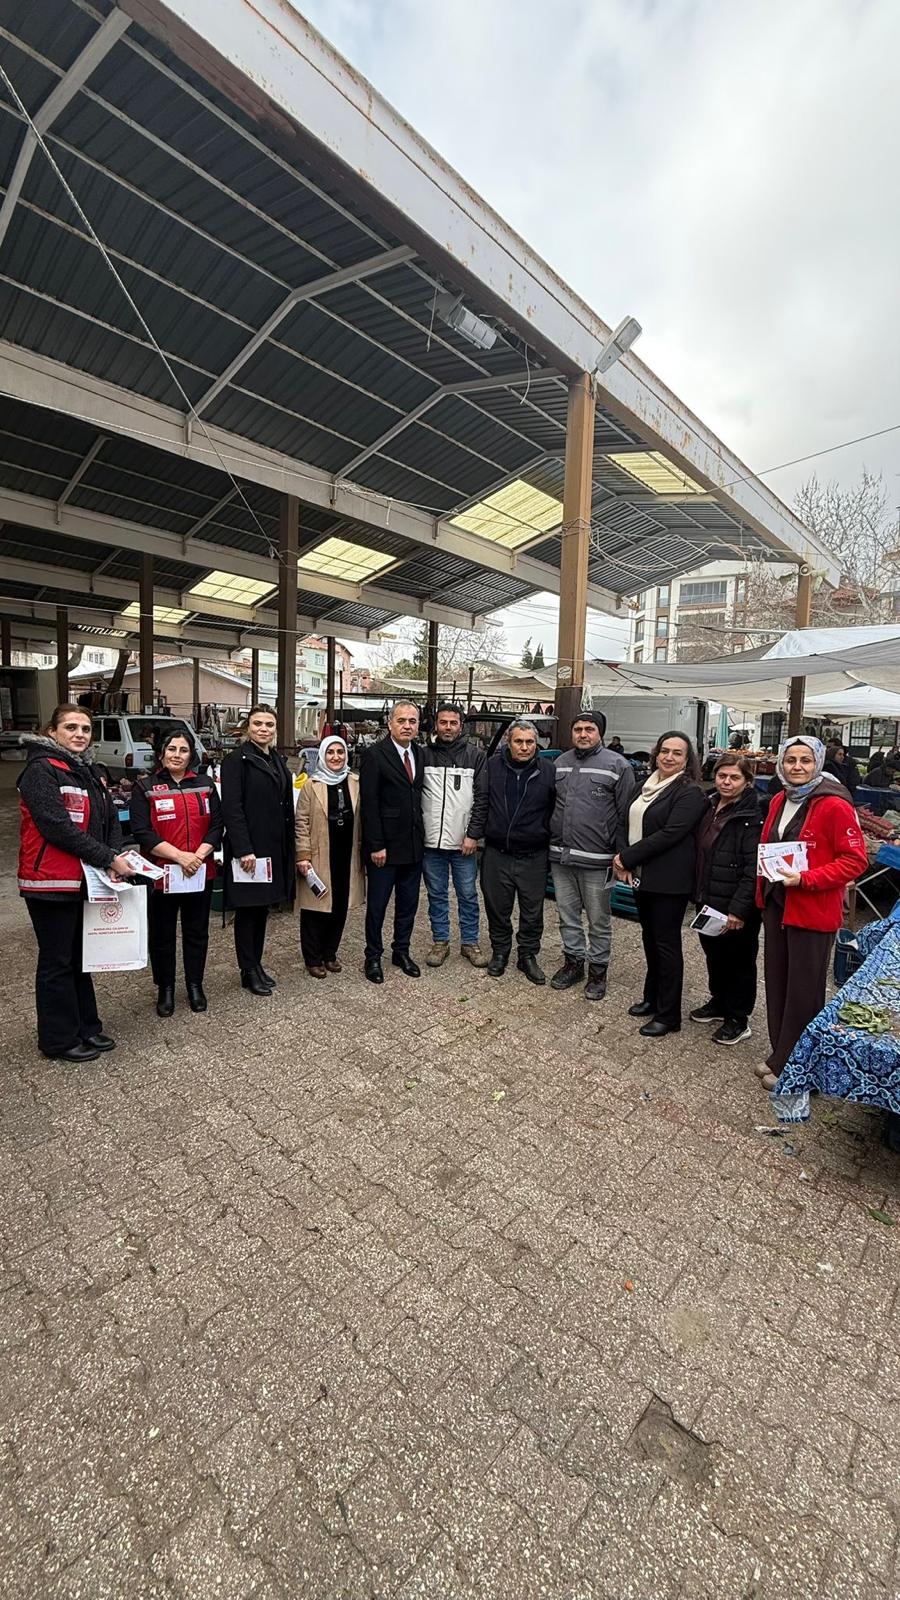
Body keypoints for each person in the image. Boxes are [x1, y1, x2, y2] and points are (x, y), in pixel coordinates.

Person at [17, 705, 132, 1061]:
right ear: (52, 731)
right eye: (71, 727)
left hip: (84, 880)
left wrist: (113, 854)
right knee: (57, 962)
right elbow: (56, 827)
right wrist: (107, 858)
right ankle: (57, 1040)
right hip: (49, 882)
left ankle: (86, 1028)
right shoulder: (41, 771)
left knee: (82, 958)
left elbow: (109, 816)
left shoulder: (86, 771)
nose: (80, 734)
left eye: (85, 728)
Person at [756, 736, 867, 1091]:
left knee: (804, 990)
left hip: (811, 908)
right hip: (778, 905)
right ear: (781, 764)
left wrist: (807, 878)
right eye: (791, 760)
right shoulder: (778, 799)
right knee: (778, 981)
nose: (798, 767)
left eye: (806, 760)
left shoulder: (834, 805)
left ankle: (800, 1068)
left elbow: (855, 860)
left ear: (818, 763)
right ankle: (781, 1054)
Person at [614, 730, 707, 1037]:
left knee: (666, 946)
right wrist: (621, 855)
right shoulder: (644, 785)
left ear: (687, 759)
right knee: (649, 940)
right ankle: (652, 998)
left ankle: (669, 1015)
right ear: (655, 753)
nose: (669, 757)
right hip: (643, 876)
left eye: (677, 753)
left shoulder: (689, 792)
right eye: (664, 751)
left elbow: (670, 833)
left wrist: (626, 857)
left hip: (670, 881)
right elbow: (623, 821)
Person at [130, 730, 223, 1016]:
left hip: (199, 871)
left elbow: (217, 824)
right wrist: (180, 856)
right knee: (162, 934)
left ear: (191, 755)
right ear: (161, 753)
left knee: (197, 932)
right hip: (161, 875)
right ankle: (165, 988)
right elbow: (142, 832)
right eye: (171, 749)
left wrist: (198, 856)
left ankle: (195, 985)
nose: (177, 755)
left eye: (183, 750)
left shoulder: (206, 785)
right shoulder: (145, 786)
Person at [549, 712, 635, 1000]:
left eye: (589, 729)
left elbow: (625, 814)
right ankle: (573, 963)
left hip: (599, 861)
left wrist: (622, 855)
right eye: (578, 729)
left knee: (598, 919)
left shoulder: (617, 765)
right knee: (567, 915)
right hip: (561, 857)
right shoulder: (560, 763)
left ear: (600, 733)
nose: (583, 734)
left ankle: (598, 971)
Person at [220, 705, 295, 996]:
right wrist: (243, 849)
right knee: (248, 910)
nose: (263, 729)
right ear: (248, 727)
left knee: (262, 909)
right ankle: (247, 968)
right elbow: (232, 808)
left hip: (273, 847)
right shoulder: (236, 761)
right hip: (250, 851)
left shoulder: (276, 759)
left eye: (269, 725)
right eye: (258, 724)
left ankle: (256, 964)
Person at [690, 754, 762, 1046]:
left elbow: (753, 867)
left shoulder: (752, 815)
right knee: (714, 955)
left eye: (734, 777)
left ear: (747, 782)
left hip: (735, 905)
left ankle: (738, 1018)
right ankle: (719, 1002)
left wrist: (739, 909)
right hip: (708, 896)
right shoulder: (709, 805)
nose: (727, 782)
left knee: (740, 962)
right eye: (722, 776)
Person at [481, 718, 556, 984]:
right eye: (519, 742)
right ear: (508, 743)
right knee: (497, 908)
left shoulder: (548, 770)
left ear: (536, 744)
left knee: (532, 911)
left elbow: (554, 810)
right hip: (497, 853)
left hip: (533, 855)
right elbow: (481, 803)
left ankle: (527, 956)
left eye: (530, 742)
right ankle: (500, 952)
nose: (524, 747)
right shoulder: (491, 766)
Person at [359, 701, 425, 984]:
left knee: (408, 904)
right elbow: (370, 804)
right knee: (377, 906)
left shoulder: (419, 754)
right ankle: (372, 956)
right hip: (384, 848)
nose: (407, 725)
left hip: (412, 845)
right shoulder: (375, 755)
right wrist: (375, 845)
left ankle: (402, 950)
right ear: (390, 724)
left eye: (412, 721)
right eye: (401, 720)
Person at [421, 702, 489, 968]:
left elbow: (482, 799)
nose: (448, 727)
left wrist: (473, 835)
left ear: (461, 726)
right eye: (443, 722)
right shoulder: (423, 755)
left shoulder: (476, 756)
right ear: (435, 724)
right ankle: (441, 941)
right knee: (436, 894)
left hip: (464, 844)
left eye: (453, 723)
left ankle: (470, 942)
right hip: (431, 842)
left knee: (468, 894)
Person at [295, 735, 363, 977]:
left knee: (340, 905)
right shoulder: (311, 785)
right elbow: (301, 822)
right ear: (322, 756)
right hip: (319, 853)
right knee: (316, 908)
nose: (336, 757)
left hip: (347, 853)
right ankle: (313, 958)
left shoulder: (355, 782)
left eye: (340, 752)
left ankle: (330, 953)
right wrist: (302, 855)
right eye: (330, 752)